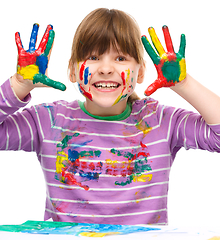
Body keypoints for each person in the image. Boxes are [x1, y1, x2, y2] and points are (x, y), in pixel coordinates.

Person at [0, 8, 220, 225]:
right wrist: (19, 84)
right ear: (72, 71)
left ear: (141, 72)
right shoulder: (49, 120)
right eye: (93, 57)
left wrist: (183, 83)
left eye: (121, 58)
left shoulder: (160, 121)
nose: (106, 68)